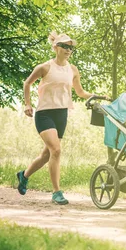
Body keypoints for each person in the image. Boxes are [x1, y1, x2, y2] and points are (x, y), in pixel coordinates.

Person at [16, 32, 97, 205]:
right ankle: (56, 192)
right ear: (56, 47)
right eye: (65, 46)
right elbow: (27, 83)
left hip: (61, 114)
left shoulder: (73, 70)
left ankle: (24, 175)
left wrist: (96, 96)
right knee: (57, 150)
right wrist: (28, 104)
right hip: (44, 114)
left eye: (71, 47)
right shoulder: (44, 67)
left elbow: (80, 92)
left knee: (47, 154)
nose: (69, 50)